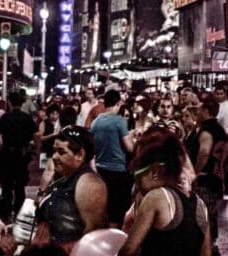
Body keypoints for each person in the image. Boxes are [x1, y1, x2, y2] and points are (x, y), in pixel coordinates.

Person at [119, 132, 209, 256]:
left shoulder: (156, 197)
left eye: (138, 178)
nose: (138, 186)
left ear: (154, 172)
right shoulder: (201, 205)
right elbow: (206, 253)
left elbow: (128, 251)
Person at [33, 126, 108, 252]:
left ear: (80, 155)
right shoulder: (65, 179)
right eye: (54, 151)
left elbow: (93, 238)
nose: (55, 157)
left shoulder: (88, 183)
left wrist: (57, 249)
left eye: (61, 152)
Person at [185, 94, 228, 254]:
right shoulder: (220, 130)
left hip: (205, 180)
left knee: (203, 219)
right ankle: (211, 245)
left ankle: (207, 248)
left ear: (205, 110)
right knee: (211, 216)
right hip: (217, 179)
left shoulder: (207, 131)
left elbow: (203, 153)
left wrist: (194, 174)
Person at [90, 88, 136, 226]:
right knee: (117, 211)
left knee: (105, 207)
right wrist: (133, 137)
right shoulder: (119, 121)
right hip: (118, 171)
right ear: (118, 103)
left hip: (100, 169)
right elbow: (130, 148)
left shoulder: (95, 122)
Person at [0, 91, 38, 220]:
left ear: (10, 103)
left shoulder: (5, 117)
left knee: (6, 187)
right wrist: (36, 149)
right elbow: (36, 135)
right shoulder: (27, 117)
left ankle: (6, 214)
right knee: (20, 187)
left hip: (7, 154)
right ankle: (19, 214)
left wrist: (0, 146)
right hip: (21, 155)